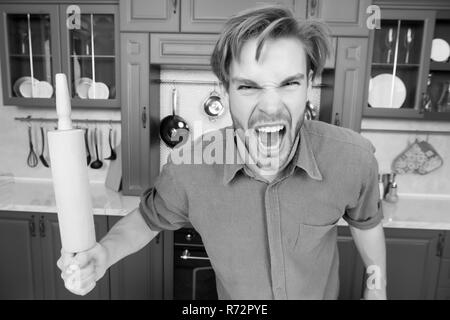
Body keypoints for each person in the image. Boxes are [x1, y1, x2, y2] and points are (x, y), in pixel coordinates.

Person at [58, 5, 387, 300]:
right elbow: (146, 221)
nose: (271, 107)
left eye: (289, 83)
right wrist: (103, 254)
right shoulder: (189, 168)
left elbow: (366, 223)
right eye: (247, 86)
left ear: (310, 83)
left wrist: (378, 286)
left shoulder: (352, 158)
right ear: (224, 90)